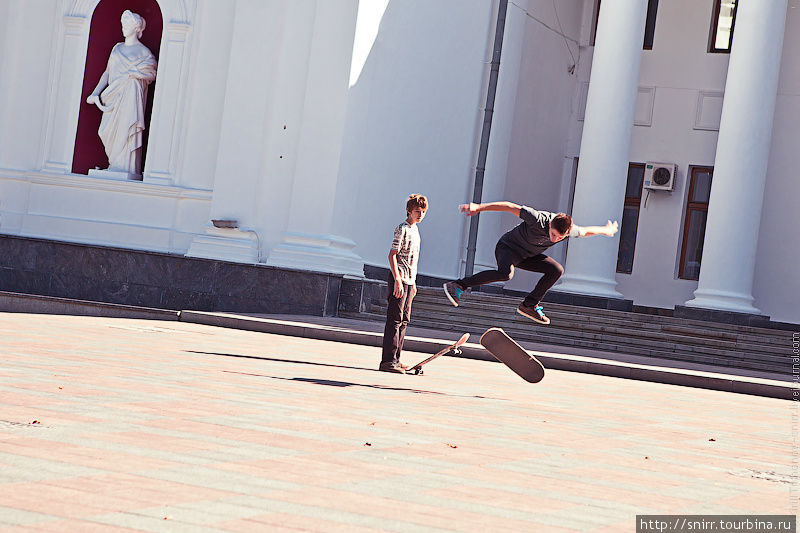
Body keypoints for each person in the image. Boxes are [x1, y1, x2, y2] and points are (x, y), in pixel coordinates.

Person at [443, 201, 618, 324]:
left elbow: (586, 231)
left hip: (528, 256)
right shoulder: (536, 218)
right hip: (508, 248)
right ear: (550, 224)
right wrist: (479, 208)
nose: (554, 239)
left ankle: (529, 305)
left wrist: (606, 230)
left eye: (559, 237)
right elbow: (509, 206)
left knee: (556, 270)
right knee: (505, 274)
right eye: (552, 234)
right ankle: (458, 285)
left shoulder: (569, 231)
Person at [86, 10, 157, 179]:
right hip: (113, 97)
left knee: (127, 129)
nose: (124, 28)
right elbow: (107, 73)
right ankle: (114, 164)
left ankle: (125, 167)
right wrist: (95, 93)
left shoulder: (144, 54)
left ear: (137, 28)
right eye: (123, 25)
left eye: (128, 26)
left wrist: (133, 76)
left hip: (130, 100)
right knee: (106, 131)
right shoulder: (117, 48)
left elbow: (151, 74)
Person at [379, 194, 428, 373]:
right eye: (417, 211)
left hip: (409, 280)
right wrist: (398, 280)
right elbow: (392, 254)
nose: (420, 215)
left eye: (423, 212)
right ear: (409, 210)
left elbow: (413, 260)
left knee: (404, 320)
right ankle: (387, 362)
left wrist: (413, 283)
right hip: (399, 279)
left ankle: (396, 359)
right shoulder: (402, 229)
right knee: (394, 319)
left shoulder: (416, 231)